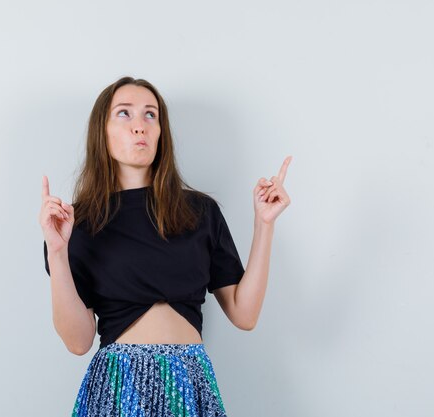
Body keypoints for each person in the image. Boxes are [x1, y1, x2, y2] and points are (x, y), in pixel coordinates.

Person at [39, 76, 292, 417]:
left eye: (150, 115)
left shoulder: (199, 213)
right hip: (119, 385)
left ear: (161, 132)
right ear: (103, 131)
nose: (139, 126)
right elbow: (78, 341)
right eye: (124, 114)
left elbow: (244, 314)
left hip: (189, 384)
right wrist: (57, 252)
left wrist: (265, 224)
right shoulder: (78, 223)